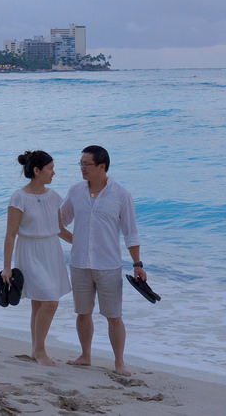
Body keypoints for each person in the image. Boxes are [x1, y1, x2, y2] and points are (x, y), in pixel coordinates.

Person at [59, 145, 144, 376]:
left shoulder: (121, 195)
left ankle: (119, 362)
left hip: (108, 265)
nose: (82, 169)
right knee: (82, 312)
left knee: (114, 316)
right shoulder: (75, 191)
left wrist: (137, 264)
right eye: (81, 164)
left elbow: (131, 233)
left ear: (102, 166)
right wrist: (75, 241)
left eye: (86, 164)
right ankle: (85, 356)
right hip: (79, 263)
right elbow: (59, 222)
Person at [2, 149, 73, 366]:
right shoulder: (19, 197)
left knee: (39, 304)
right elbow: (10, 234)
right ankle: (41, 350)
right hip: (30, 252)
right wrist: (7, 268)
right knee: (50, 302)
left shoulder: (53, 197)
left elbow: (59, 229)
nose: (54, 173)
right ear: (36, 170)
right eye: (50, 168)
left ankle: (35, 350)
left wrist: (83, 245)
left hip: (51, 251)